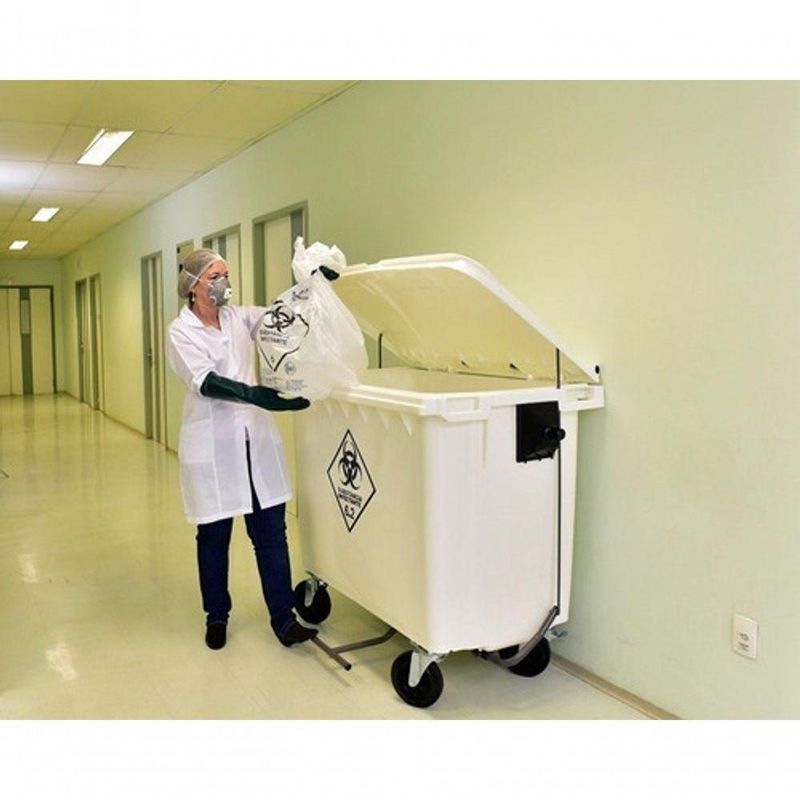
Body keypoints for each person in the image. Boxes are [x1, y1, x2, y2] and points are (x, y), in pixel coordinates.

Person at [166, 249, 332, 651]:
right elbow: (205, 381)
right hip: (214, 445)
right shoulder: (180, 331)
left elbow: (280, 318)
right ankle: (216, 615)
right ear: (193, 285)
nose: (224, 283)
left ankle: (283, 619)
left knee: (271, 533)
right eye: (215, 276)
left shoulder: (239, 317)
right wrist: (258, 395)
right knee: (214, 536)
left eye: (226, 274)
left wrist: (311, 286)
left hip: (255, 441)